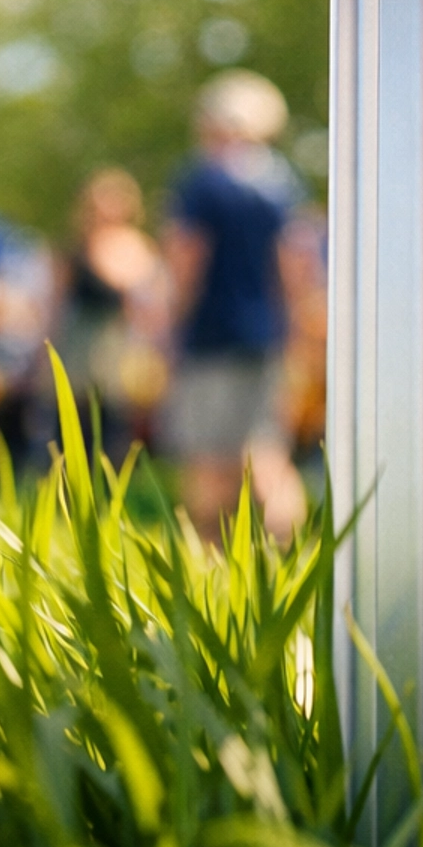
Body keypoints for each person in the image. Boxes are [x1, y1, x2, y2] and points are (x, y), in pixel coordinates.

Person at [162, 72, 306, 541]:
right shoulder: (280, 180)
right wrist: (297, 327)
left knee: (207, 460)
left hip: (211, 334)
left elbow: (187, 260)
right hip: (266, 335)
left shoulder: (202, 180)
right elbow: (294, 264)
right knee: (266, 451)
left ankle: (211, 574)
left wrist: (169, 324)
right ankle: (291, 558)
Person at [54, 167, 170, 465]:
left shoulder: (138, 246)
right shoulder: (76, 245)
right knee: (72, 416)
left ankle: (109, 489)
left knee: (114, 420)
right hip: (79, 340)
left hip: (120, 341)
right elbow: (59, 300)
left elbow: (151, 302)